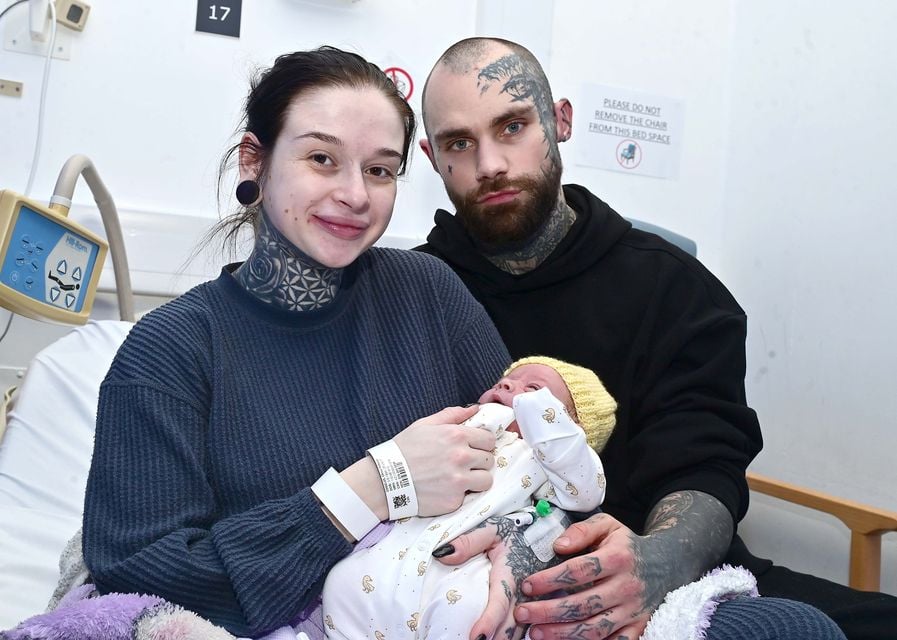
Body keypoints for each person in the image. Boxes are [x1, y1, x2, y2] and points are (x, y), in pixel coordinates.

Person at [415, 37, 870, 640]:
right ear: (429, 154)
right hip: (472, 595)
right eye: (459, 143)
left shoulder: (676, 289)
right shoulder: (408, 298)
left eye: (513, 126)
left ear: (560, 121)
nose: (491, 163)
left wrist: (659, 564)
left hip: (683, 579)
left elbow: (704, 463)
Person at [80, 46, 514, 638]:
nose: (356, 195)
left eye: (380, 170)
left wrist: (517, 552)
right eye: (321, 159)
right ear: (253, 162)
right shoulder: (170, 353)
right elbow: (138, 587)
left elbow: (526, 460)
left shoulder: (431, 296)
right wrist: (373, 487)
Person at [321, 356, 617, 640]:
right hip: (395, 555)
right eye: (503, 382)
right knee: (340, 583)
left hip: (461, 574)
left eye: (534, 388)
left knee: (466, 611)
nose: (506, 387)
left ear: (575, 431)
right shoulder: (464, 430)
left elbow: (586, 493)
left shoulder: (557, 468)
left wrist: (536, 412)